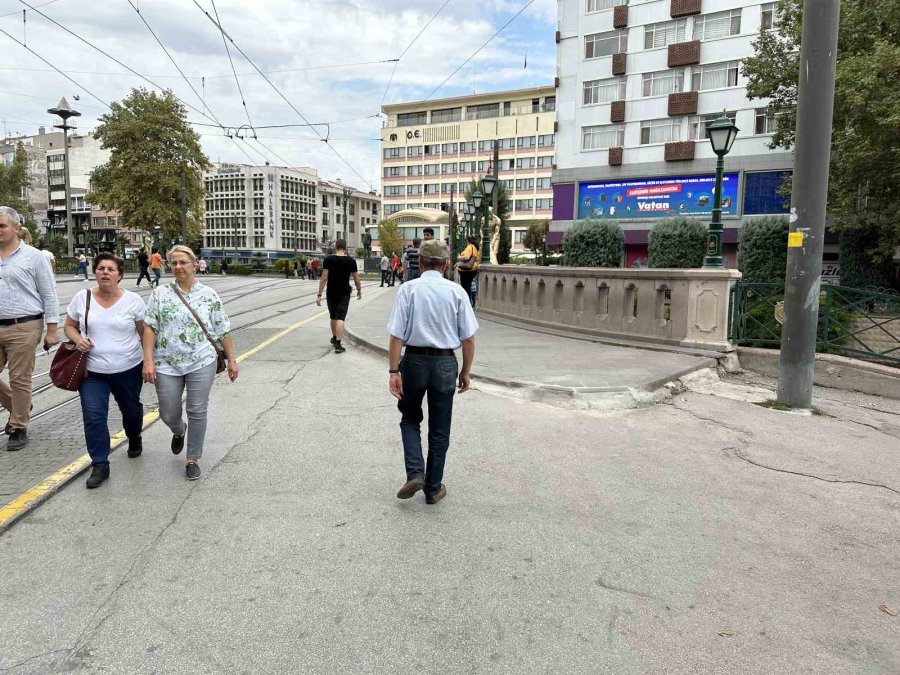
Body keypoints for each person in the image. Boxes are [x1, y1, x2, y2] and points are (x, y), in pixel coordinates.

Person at [387, 239, 478, 505]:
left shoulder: (408, 290)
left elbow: (396, 336)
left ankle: (415, 472)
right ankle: (433, 488)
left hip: (413, 360)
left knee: (410, 417)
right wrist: (465, 371)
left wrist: (394, 371)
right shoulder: (456, 292)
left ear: (419, 262)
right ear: (447, 264)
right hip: (444, 364)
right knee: (440, 427)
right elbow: (469, 338)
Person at [142, 245, 238, 481]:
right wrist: (148, 361)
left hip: (201, 361)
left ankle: (192, 458)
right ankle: (178, 430)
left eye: (183, 262)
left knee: (197, 409)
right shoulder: (160, 294)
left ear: (194, 264)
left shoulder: (208, 295)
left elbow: (222, 329)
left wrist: (232, 360)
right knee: (168, 411)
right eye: (174, 263)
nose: (178, 267)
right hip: (166, 362)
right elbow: (150, 327)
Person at [64, 253, 145, 489]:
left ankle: (134, 435)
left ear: (119, 275)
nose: (105, 272)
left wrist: (150, 361)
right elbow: (69, 326)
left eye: (111, 269)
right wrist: (78, 339)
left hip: (128, 367)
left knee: (131, 411)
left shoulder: (133, 301)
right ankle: (100, 463)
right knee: (94, 416)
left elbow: (144, 333)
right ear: (95, 272)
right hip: (92, 371)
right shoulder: (83, 297)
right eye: (101, 268)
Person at [0, 206, 60, 450]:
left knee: (20, 378)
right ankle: (18, 405)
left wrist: (52, 329)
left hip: (23, 326)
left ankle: (18, 426)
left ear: (16, 228)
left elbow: (49, 293)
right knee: (17, 387)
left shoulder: (35, 257)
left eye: (2, 225)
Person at [316, 239, 361, 354]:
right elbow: (356, 278)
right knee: (340, 318)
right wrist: (359, 290)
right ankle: (338, 344)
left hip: (331, 292)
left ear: (335, 247)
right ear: (345, 248)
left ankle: (334, 337)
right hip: (344, 292)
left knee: (333, 317)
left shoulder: (328, 260)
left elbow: (324, 278)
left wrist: (319, 294)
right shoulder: (351, 261)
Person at [457, 235, 480, 308]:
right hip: (472, 269)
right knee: (471, 286)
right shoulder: (476, 248)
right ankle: (471, 302)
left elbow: (466, 257)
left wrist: (459, 257)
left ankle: (467, 303)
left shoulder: (470, 247)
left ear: (468, 241)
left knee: (466, 287)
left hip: (466, 270)